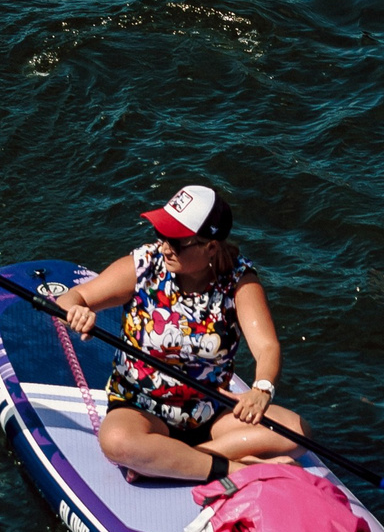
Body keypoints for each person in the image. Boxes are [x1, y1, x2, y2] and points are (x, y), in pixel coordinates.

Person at [54, 183, 306, 483]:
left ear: (210, 247)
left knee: (297, 432)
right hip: (141, 407)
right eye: (161, 235)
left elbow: (267, 347)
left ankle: (172, 460)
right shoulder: (145, 265)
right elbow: (73, 297)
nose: (164, 247)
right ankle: (239, 470)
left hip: (209, 411)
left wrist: (261, 390)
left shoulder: (239, 280)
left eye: (175, 241)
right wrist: (76, 312)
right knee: (117, 441)